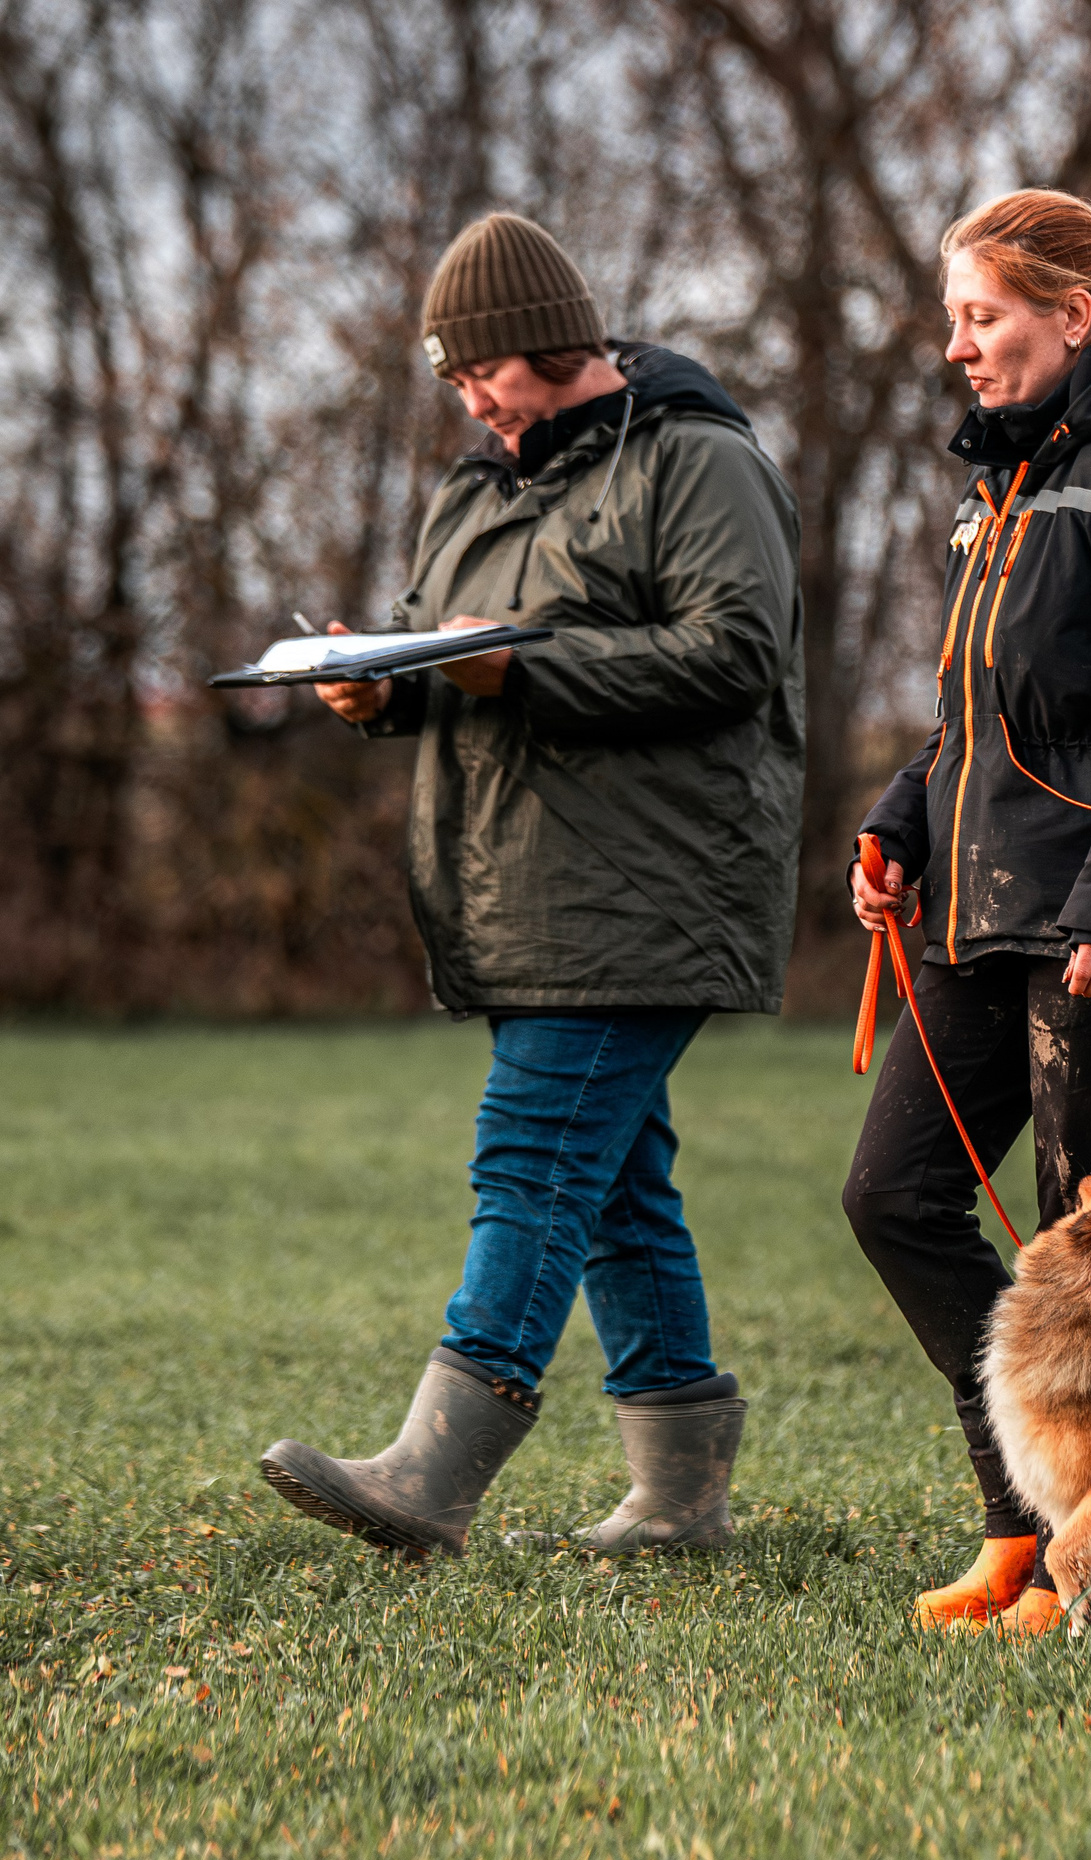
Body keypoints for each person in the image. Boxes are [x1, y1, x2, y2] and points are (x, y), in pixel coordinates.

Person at [258, 213, 804, 1560]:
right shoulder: (476, 486)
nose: (466, 401)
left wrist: (528, 669)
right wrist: (370, 685)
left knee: (535, 1157)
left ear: (538, 346)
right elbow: (449, 656)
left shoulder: (698, 459)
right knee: (616, 1184)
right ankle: (681, 1499)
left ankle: (433, 1477)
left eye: (472, 372)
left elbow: (735, 654)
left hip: (650, 886)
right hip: (519, 887)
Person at [843, 189, 1091, 1639]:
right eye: (955, 318)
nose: (959, 346)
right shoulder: (1007, 475)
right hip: (979, 899)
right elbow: (985, 709)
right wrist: (900, 822)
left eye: (985, 317)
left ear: (1074, 317)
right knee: (891, 1197)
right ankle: (1027, 1519)